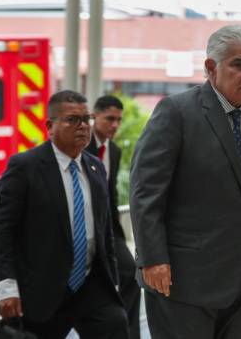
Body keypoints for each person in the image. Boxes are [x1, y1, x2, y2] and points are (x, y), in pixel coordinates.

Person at [130, 25, 241, 338]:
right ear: (211, 68)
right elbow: (146, 193)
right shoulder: (176, 112)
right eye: (239, 65)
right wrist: (153, 258)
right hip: (182, 281)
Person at [0, 90, 128, 339]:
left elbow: (104, 230)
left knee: (115, 323)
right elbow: (2, 230)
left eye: (87, 119)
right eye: (73, 120)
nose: (83, 126)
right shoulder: (25, 166)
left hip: (90, 285)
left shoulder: (95, 168)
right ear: (50, 126)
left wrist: (112, 278)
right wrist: (7, 286)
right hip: (41, 287)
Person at [86, 95, 141, 339]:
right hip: (79, 227)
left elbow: (109, 197)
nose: (115, 125)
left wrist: (116, 235)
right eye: (109, 119)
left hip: (107, 228)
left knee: (130, 274)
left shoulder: (114, 151)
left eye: (119, 120)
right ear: (94, 117)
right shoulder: (79, 144)